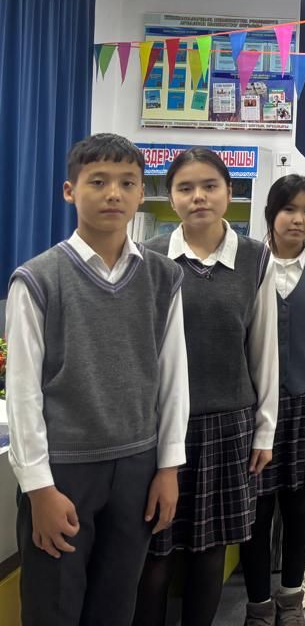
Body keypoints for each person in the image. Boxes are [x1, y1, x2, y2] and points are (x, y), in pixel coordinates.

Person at [7, 134, 187, 626]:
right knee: (53, 605)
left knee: (116, 604)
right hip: (64, 471)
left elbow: (174, 379)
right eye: (98, 181)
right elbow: (23, 392)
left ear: (141, 194)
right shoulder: (38, 278)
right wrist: (38, 488)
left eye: (127, 183)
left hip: (137, 468)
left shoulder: (163, 277)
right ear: (70, 191)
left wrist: (169, 468)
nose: (113, 193)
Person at [134, 149, 279, 626]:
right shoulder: (148, 256)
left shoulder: (256, 257)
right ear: (170, 196)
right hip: (159, 426)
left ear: (229, 192)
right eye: (185, 188)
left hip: (227, 423)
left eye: (210, 186)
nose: (198, 197)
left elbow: (264, 349)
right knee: (155, 552)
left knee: (210, 549)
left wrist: (264, 430)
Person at [241, 175, 305, 626]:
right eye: (289, 209)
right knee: (257, 510)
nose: (298, 219)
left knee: (301, 506)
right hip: (252, 406)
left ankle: (289, 600)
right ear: (271, 213)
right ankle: (258, 605)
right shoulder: (248, 263)